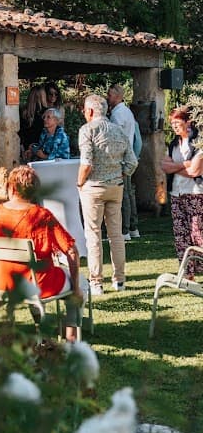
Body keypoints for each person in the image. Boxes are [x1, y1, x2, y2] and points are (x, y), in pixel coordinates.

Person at [0, 166, 85, 341]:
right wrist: (76, 287)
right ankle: (71, 338)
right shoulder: (41, 215)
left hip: (2, 281)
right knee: (79, 282)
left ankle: (41, 327)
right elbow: (71, 251)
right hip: (38, 285)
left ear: (11, 188)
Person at [76, 94, 137, 295]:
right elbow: (132, 162)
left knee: (93, 234)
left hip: (93, 186)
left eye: (85, 110)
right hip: (115, 186)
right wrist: (120, 174)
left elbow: (86, 162)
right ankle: (119, 280)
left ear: (91, 111)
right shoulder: (118, 130)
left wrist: (79, 182)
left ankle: (96, 282)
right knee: (116, 235)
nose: (84, 113)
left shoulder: (87, 130)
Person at [160, 107, 203, 278]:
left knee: (197, 233)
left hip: (195, 193)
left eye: (178, 123)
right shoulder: (173, 144)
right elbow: (164, 166)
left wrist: (176, 167)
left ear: (188, 122)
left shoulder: (198, 142)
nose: (174, 127)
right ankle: (187, 272)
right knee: (180, 235)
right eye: (172, 124)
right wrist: (185, 164)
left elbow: (195, 171)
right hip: (177, 193)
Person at [107, 84, 140, 240]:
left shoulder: (118, 114)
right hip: (128, 155)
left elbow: (116, 137)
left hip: (121, 158)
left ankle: (125, 230)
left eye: (110, 95)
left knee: (123, 194)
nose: (108, 98)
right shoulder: (127, 112)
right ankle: (133, 227)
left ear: (118, 96)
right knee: (128, 193)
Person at [19, 85, 48, 156]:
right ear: (43, 97)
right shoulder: (46, 113)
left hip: (27, 147)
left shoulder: (24, 112)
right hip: (41, 148)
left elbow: (21, 132)